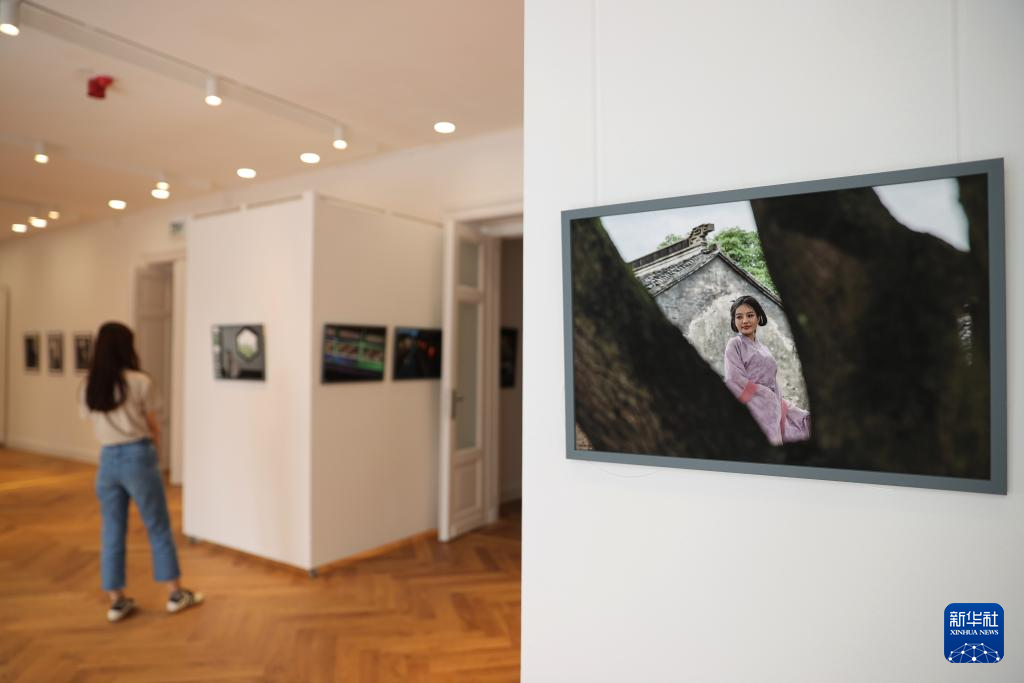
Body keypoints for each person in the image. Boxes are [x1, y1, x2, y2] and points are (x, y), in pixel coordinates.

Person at [80, 322, 203, 623]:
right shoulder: (140, 381)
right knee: (157, 526)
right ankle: (175, 594)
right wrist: (154, 458)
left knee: (112, 530)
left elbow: (92, 422)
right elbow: (153, 426)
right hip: (138, 455)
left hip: (107, 461)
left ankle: (116, 601)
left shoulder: (88, 385)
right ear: (126, 347)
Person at [723, 296, 811, 445]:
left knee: (803, 423)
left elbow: (773, 383)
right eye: (739, 317)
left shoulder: (764, 349)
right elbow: (734, 379)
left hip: (773, 407)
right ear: (734, 321)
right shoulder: (735, 344)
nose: (745, 321)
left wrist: (782, 405)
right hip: (754, 408)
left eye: (750, 315)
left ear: (758, 317)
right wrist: (766, 395)